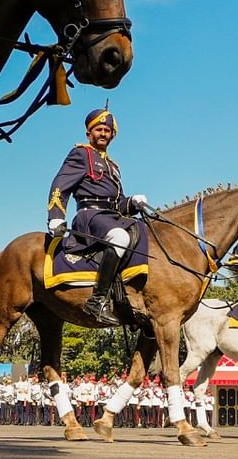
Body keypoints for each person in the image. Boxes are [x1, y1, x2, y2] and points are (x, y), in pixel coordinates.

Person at [47, 108, 149, 325]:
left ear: (112, 135)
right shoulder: (81, 154)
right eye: (98, 129)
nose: (103, 133)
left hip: (111, 216)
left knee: (143, 232)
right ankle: (97, 299)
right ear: (88, 134)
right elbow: (60, 184)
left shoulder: (114, 166)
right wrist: (55, 215)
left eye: (107, 130)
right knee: (120, 238)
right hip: (89, 216)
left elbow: (117, 203)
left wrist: (132, 202)